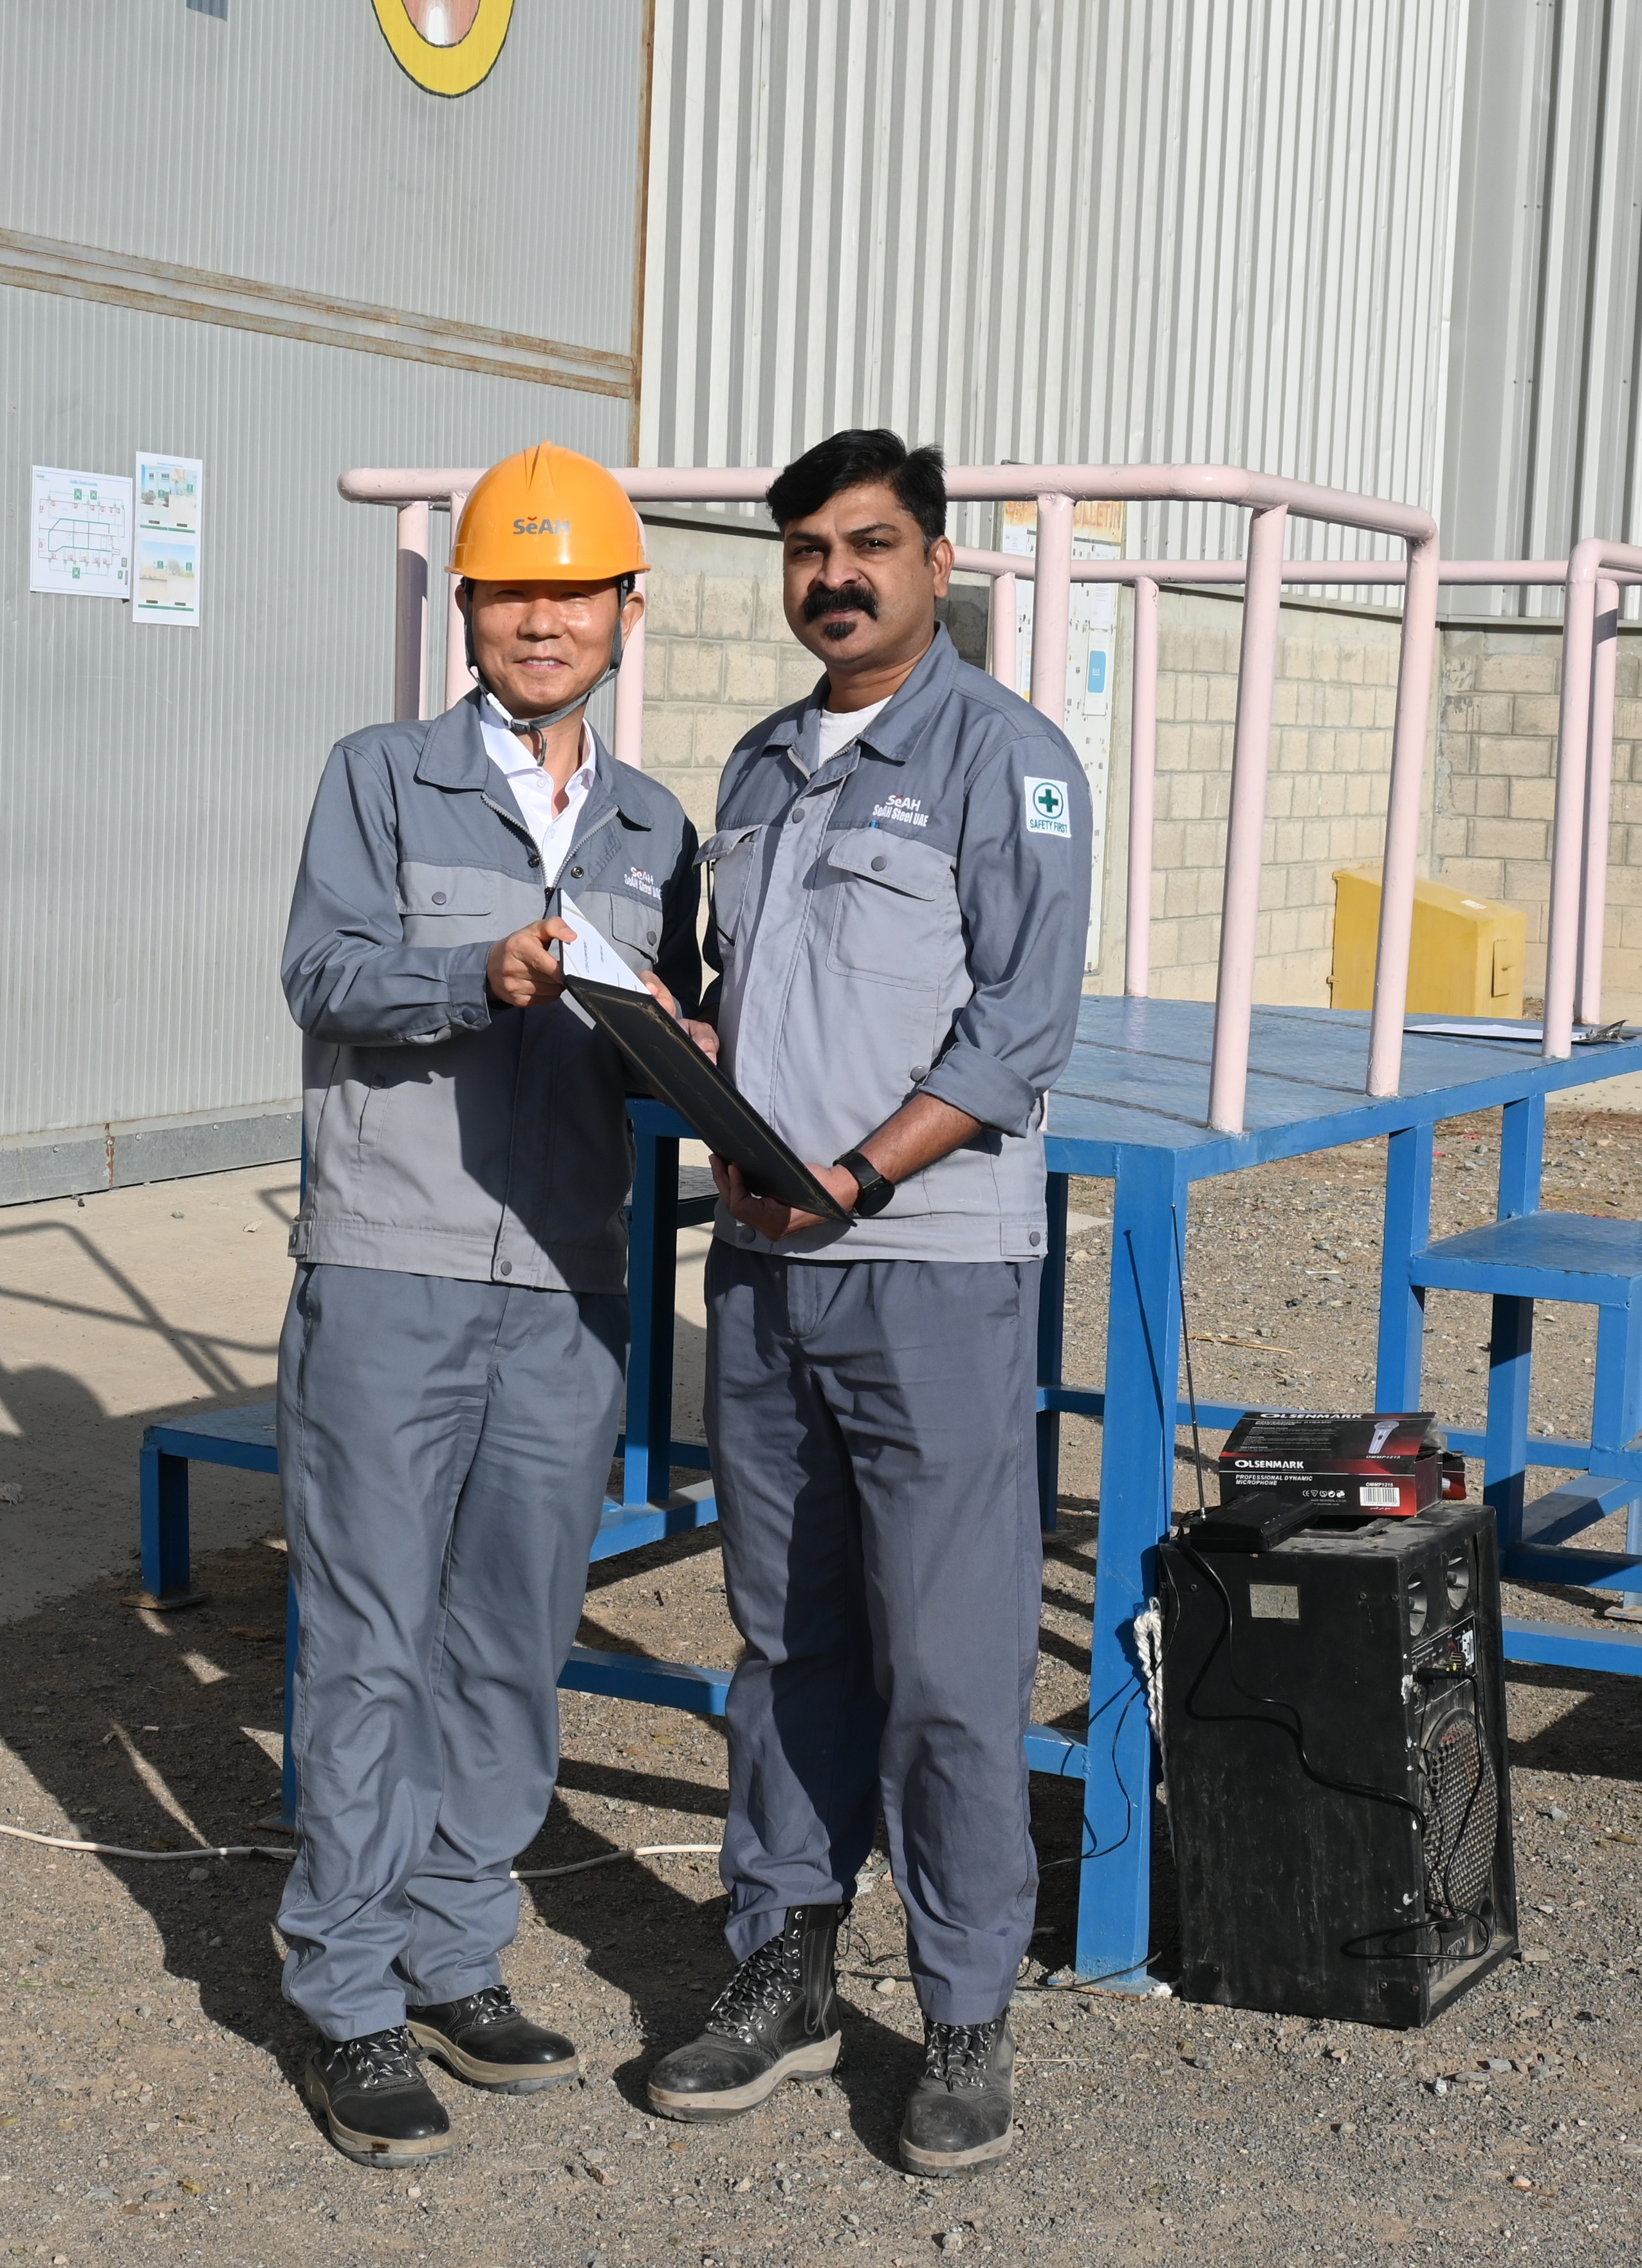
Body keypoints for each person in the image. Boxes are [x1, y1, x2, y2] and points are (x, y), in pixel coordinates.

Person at [646, 431, 1091, 2178]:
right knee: (786, 1638)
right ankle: (786, 1961)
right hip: (764, 1277)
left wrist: (856, 1173)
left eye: (869, 544)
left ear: (934, 561)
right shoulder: (762, 764)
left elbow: (1020, 1029)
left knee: (953, 1662)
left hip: (930, 1274)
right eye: (807, 551)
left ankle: (967, 2010)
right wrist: (675, 1039)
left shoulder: (1007, 760)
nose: (835, 577)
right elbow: (740, 994)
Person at [278, 442, 706, 2166]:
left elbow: (666, 1047)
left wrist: (695, 1043)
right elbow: (321, 973)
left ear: (624, 611)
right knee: (368, 1639)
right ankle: (348, 1998)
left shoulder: (654, 827)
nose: (544, 620)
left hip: (569, 1283)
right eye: (514, 591)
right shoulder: (379, 777)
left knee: (515, 1639)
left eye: (573, 591)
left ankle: (457, 1956)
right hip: (394, 1264)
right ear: (468, 610)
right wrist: (483, 970)